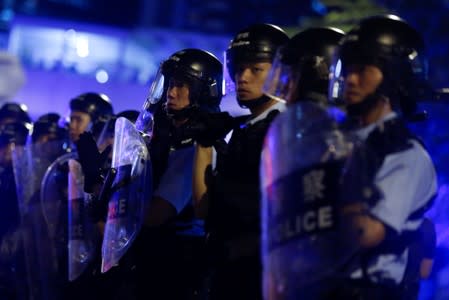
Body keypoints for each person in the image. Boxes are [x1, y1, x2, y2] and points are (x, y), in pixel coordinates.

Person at [327, 15, 437, 299]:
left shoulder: (406, 153)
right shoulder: (337, 138)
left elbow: (365, 234)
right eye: (348, 68)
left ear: (393, 76)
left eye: (363, 69)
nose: (350, 79)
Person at [192, 23, 289, 299]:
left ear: (281, 71)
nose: (242, 77)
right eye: (239, 68)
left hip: (256, 273)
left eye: (255, 69)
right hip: (227, 267)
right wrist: (204, 143)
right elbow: (204, 209)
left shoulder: (282, 127)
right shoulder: (247, 127)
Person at [128, 48, 225, 300]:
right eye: (170, 84)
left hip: (175, 265)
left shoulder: (198, 142)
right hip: (149, 260)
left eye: (182, 85)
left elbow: (157, 214)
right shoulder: (165, 137)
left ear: (203, 90)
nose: (171, 93)